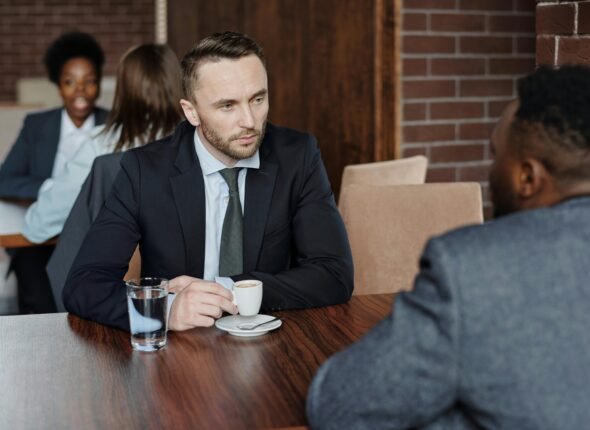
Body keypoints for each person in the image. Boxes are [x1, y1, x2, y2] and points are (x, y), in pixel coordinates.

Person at [306, 65, 590, 429]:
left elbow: (338, 404)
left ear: (527, 178)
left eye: (495, 154)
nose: (490, 171)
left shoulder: (472, 271)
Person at [63, 31, 353, 332]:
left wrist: (229, 291)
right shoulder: (144, 170)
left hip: (272, 346)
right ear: (192, 112)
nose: (250, 121)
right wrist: (165, 309)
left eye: (258, 99)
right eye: (227, 106)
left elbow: (334, 274)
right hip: (179, 358)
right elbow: (84, 284)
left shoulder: (298, 156)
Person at [20, 43, 183, 310]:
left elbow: (38, 225)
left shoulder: (100, 146)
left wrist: (49, 186)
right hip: (193, 292)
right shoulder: (199, 146)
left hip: (117, 302)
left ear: (123, 91)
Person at [0, 31, 107, 314]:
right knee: (38, 300)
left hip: (94, 234)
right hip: (41, 233)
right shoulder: (37, 126)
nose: (80, 91)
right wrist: (53, 189)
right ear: (58, 86)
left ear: (98, 84)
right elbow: (5, 179)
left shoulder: (112, 124)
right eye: (70, 82)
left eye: (89, 81)